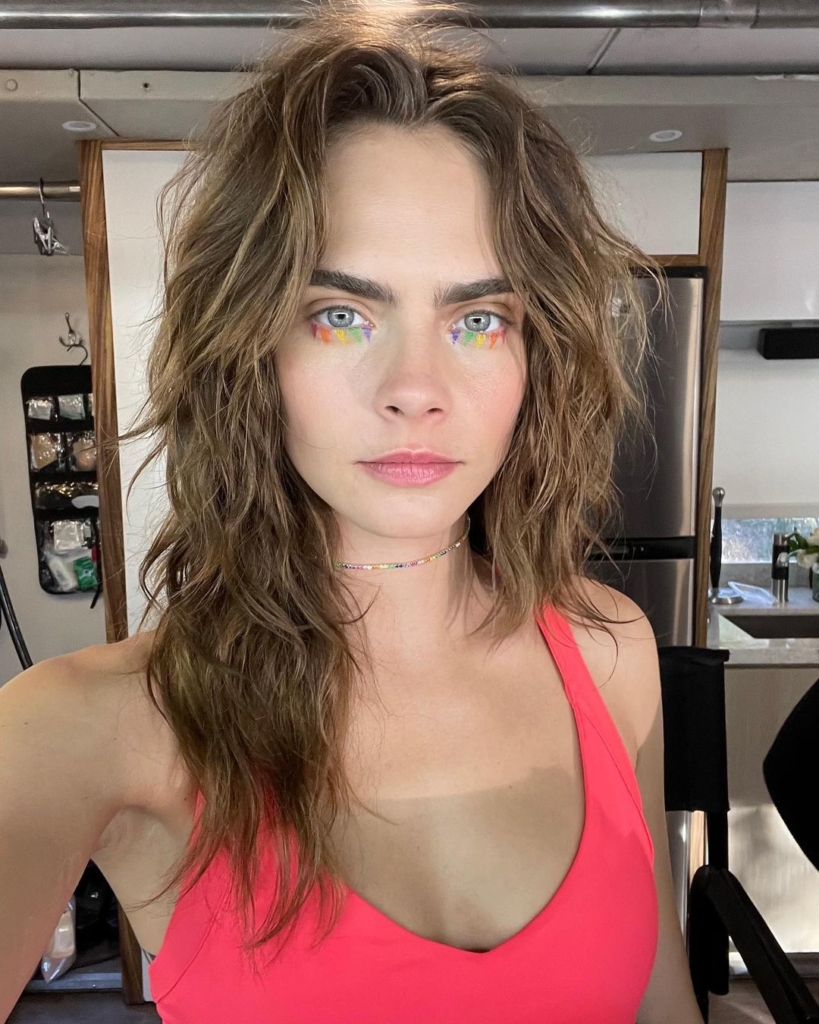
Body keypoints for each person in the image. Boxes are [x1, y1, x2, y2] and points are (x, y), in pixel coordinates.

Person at [0, 2, 705, 1021]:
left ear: (535, 357)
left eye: (477, 318)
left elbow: (662, 1004)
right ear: (252, 351)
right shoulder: (89, 727)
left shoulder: (611, 650)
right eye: (341, 315)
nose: (416, 388)